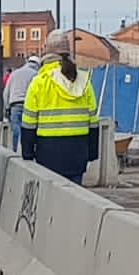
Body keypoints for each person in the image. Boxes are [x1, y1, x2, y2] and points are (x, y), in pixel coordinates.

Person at [23, 28, 99, 183]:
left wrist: (27, 153)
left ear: (46, 52)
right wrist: (91, 152)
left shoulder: (39, 82)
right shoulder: (83, 82)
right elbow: (93, 121)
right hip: (78, 151)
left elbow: (29, 123)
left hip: (48, 153)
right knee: (75, 199)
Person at [3, 55, 40, 147]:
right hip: (29, 106)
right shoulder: (36, 74)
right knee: (29, 129)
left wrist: (7, 108)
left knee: (16, 129)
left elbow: (6, 92)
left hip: (14, 105)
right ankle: (26, 149)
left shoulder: (15, 73)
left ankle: (16, 150)